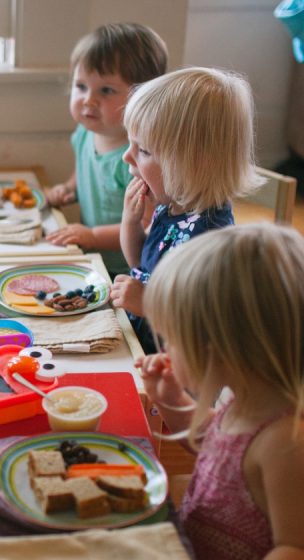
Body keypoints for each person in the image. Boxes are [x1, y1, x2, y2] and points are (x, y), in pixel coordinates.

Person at [136, 223, 304, 560]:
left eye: (172, 337)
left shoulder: (285, 444)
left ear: (219, 348)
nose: (166, 347)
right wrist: (173, 402)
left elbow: (297, 553)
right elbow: (215, 449)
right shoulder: (244, 399)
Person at [110, 66, 262, 353]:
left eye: (143, 150)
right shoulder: (173, 207)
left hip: (176, 372)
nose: (126, 155)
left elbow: (202, 324)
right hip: (141, 344)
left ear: (191, 164)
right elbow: (141, 265)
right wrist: (130, 223)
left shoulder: (211, 237)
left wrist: (147, 303)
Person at [44, 22, 168, 276]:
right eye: (81, 86)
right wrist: (69, 188)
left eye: (106, 90)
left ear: (142, 97)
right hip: (92, 260)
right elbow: (85, 168)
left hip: (127, 270)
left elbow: (146, 224)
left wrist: (93, 236)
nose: (88, 99)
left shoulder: (138, 160)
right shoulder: (86, 133)